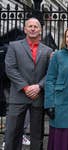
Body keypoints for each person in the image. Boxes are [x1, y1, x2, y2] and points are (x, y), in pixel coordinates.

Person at [4, 17, 53, 150]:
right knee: (12, 133)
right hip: (19, 95)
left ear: (40, 30)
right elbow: (10, 68)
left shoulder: (48, 50)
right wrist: (25, 87)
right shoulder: (14, 46)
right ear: (25, 29)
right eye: (30, 26)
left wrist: (39, 86)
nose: (32, 28)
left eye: (35, 26)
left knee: (37, 134)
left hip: (38, 96)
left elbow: (50, 72)